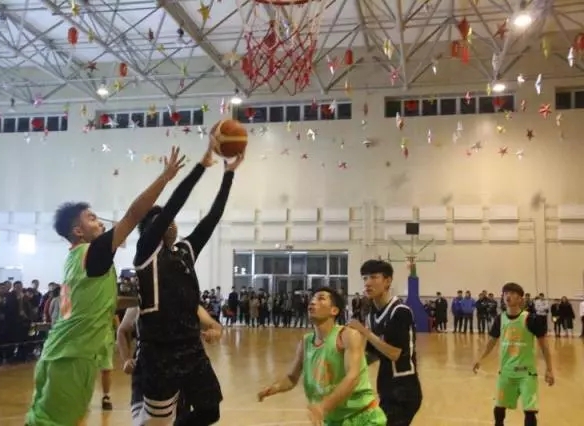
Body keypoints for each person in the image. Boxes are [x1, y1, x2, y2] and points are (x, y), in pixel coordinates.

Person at [25, 146, 186, 426]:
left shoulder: (74, 261)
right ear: (77, 231)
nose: (99, 222)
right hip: (71, 358)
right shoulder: (94, 253)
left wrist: (143, 300)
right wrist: (165, 178)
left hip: (59, 353)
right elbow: (134, 215)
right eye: (91, 218)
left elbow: (100, 302)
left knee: (47, 418)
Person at [133, 144, 243, 425]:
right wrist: (200, 168)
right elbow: (173, 204)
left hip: (191, 346)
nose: (170, 224)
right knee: (156, 422)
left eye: (171, 221)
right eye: (162, 221)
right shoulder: (146, 253)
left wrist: (228, 174)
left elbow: (213, 217)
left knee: (210, 411)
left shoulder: (184, 251)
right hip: (159, 351)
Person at [257, 287, 387, 426]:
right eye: (312, 299)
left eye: (320, 299)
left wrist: (323, 407)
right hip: (332, 420)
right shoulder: (306, 342)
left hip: (362, 417)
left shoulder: (347, 335)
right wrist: (274, 387)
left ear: (334, 311)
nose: (312, 302)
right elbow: (291, 378)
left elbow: (353, 377)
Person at [348, 259, 422, 426]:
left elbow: (394, 353)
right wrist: (348, 366)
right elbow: (374, 354)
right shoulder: (371, 314)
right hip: (386, 387)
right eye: (365, 278)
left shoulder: (400, 311)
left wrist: (365, 332)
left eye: (374, 277)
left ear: (388, 281)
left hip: (404, 390)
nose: (368, 283)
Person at [473, 282, 554, 426]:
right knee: (499, 409)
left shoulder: (531, 319)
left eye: (512, 293)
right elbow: (491, 342)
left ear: (520, 298)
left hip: (526, 374)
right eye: (505, 293)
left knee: (530, 411)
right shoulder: (500, 319)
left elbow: (545, 346)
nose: (508, 296)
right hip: (506, 372)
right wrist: (480, 358)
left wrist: (549, 369)